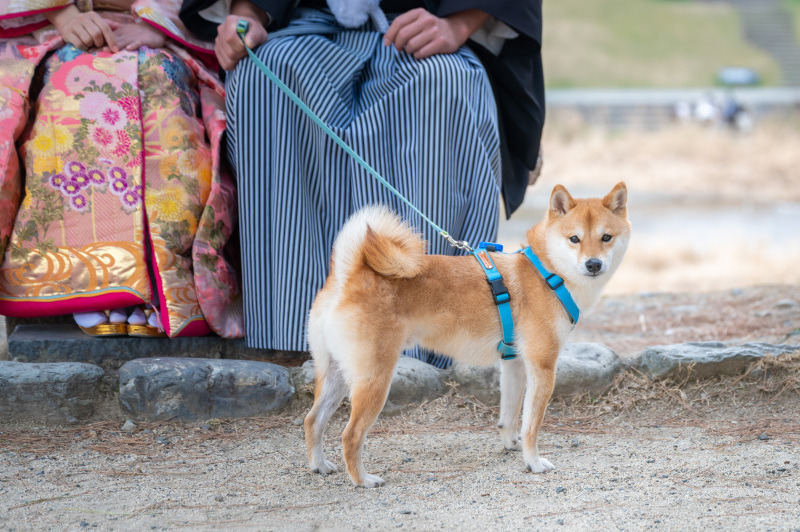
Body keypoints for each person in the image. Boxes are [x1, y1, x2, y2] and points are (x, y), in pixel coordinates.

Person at [180, 0, 544, 367]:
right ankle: (294, 337)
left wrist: (460, 24)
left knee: (444, 81)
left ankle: (433, 344)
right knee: (266, 74)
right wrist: (248, 12)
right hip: (305, 23)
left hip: (426, 25)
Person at [0, 0, 244, 338]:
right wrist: (62, 14)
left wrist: (161, 25)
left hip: (161, 33)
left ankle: (161, 280)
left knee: (162, 90)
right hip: (55, 26)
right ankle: (85, 276)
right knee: (78, 87)